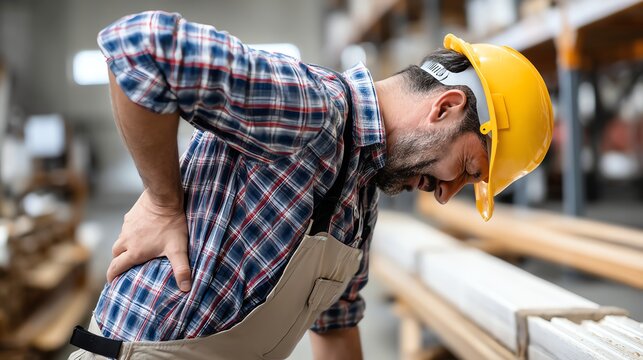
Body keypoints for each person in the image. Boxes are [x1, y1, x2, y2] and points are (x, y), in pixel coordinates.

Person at [69, 10, 552, 360]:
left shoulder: (360, 202)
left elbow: (336, 330)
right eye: (468, 167)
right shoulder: (313, 109)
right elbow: (139, 48)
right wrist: (161, 203)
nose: (447, 193)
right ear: (445, 107)